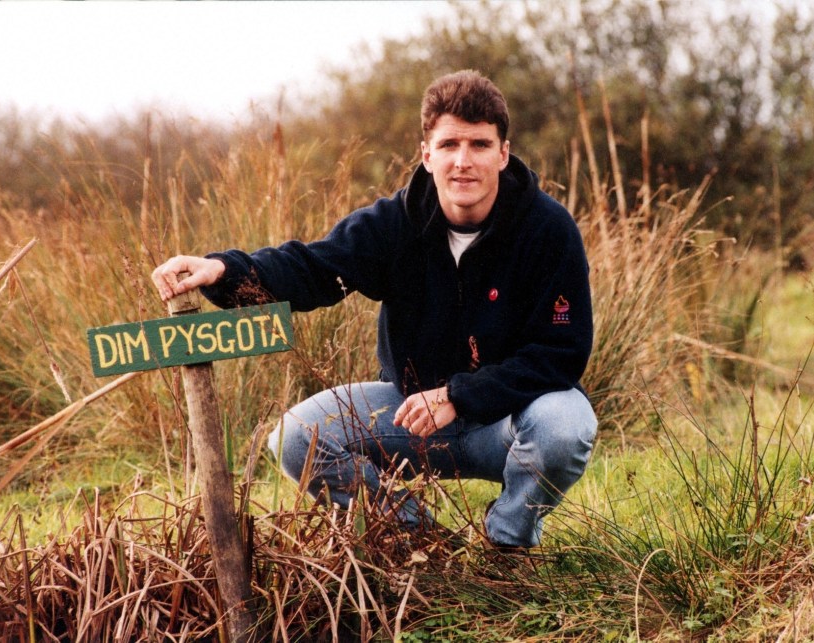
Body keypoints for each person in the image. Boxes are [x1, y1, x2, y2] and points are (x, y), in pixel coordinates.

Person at [152, 70, 597, 550]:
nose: (463, 162)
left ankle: (508, 546)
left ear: (503, 153)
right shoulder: (394, 224)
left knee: (566, 425)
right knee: (297, 438)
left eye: (479, 145)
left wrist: (459, 395)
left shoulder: (547, 230)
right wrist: (223, 270)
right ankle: (423, 543)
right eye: (448, 145)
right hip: (411, 418)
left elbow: (561, 354)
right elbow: (313, 268)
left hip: (508, 421)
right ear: (427, 155)